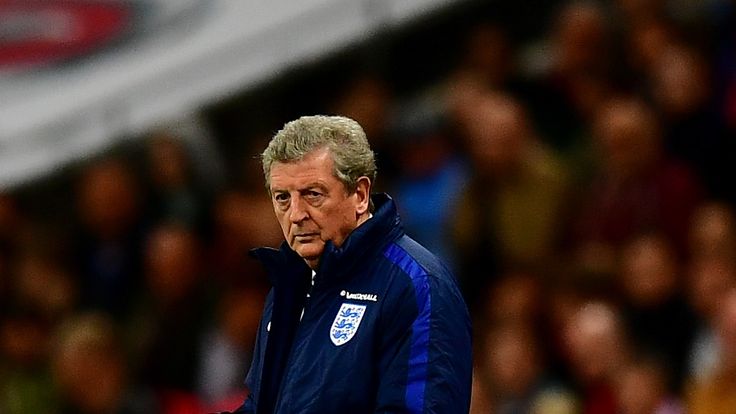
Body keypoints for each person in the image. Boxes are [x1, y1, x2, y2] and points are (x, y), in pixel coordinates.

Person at [224, 115, 473, 413]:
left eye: (312, 195)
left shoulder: (416, 284)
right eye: (282, 198)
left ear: (360, 194)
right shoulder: (289, 287)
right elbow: (260, 406)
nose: (295, 214)